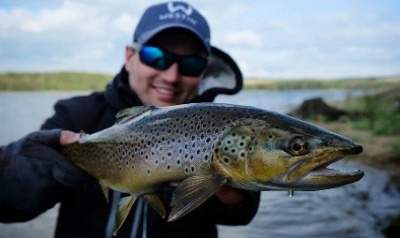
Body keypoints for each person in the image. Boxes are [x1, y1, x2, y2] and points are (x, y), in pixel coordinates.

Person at [0, 1, 260, 237]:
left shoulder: (223, 126)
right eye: (156, 57)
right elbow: (8, 204)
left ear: (204, 70)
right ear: (129, 57)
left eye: (191, 63)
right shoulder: (78, 115)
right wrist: (38, 167)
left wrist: (236, 194)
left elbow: (240, 214)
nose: (171, 76)